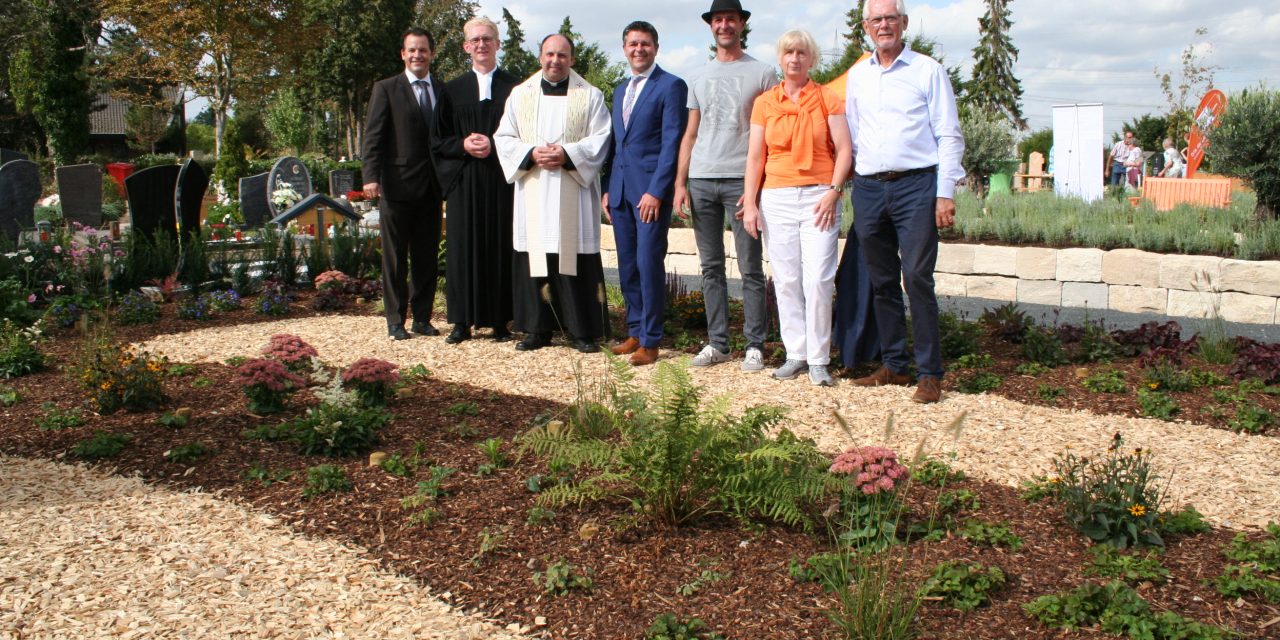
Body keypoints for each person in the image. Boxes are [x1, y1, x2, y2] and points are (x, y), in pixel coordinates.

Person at [845, 0, 965, 404]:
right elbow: (854, 131)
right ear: (866, 26)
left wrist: (944, 192)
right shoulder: (858, 75)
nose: (884, 26)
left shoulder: (927, 70)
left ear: (904, 23)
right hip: (868, 188)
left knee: (916, 277)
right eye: (877, 19)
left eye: (890, 18)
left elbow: (949, 133)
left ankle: (930, 373)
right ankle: (895, 365)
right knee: (881, 282)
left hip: (916, 186)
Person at [740, 30, 851, 387]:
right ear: (780, 58)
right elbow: (756, 156)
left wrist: (834, 191)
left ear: (811, 59)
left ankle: (819, 358)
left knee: (819, 277)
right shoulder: (765, 103)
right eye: (789, 52)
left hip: (819, 195)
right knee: (787, 279)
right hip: (777, 197)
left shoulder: (827, 99)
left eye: (802, 52)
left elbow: (845, 150)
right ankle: (796, 354)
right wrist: (751, 203)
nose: (795, 58)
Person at [672, 0, 777, 373]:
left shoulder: (764, 73)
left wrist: (757, 186)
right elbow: (690, 134)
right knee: (710, 267)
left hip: (740, 181)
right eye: (718, 19)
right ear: (711, 26)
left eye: (731, 19)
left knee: (750, 266)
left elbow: (770, 136)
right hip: (701, 179)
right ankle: (718, 343)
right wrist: (680, 183)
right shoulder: (697, 76)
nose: (724, 25)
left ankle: (754, 344)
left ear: (741, 24)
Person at [494, 34, 612, 353]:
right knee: (536, 255)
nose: (555, 60)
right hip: (534, 186)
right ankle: (536, 329)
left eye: (562, 55)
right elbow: (503, 137)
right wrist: (531, 153)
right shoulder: (521, 95)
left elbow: (601, 138)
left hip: (572, 186)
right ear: (540, 57)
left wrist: (568, 154)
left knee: (572, 255)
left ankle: (581, 331)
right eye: (550, 54)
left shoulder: (590, 96)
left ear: (572, 58)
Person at [604, 21, 689, 366]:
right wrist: (608, 189)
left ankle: (652, 341)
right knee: (627, 266)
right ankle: (635, 330)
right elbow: (616, 144)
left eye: (645, 44)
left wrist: (657, 191)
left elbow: (672, 143)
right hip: (621, 193)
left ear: (656, 47)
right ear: (624, 48)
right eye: (633, 44)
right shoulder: (620, 90)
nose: (639, 49)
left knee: (648, 263)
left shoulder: (671, 86)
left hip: (650, 195)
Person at [433, 16, 521, 344]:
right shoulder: (451, 90)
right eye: (475, 40)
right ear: (466, 46)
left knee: (500, 246)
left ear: (497, 44)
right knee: (462, 249)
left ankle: (500, 320)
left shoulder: (515, 88)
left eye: (488, 39)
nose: (482, 45)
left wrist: (494, 144)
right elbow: (438, 140)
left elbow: (526, 135)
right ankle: (461, 321)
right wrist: (462, 145)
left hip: (501, 180)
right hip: (464, 181)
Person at [363, 27, 444, 341]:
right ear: (403, 54)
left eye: (423, 50)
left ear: (431, 54)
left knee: (425, 257)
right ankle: (395, 321)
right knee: (395, 259)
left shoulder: (441, 89)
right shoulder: (386, 89)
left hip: (431, 189)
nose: (417, 55)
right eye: (411, 50)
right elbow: (373, 137)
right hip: (396, 187)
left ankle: (422, 319)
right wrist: (370, 177)